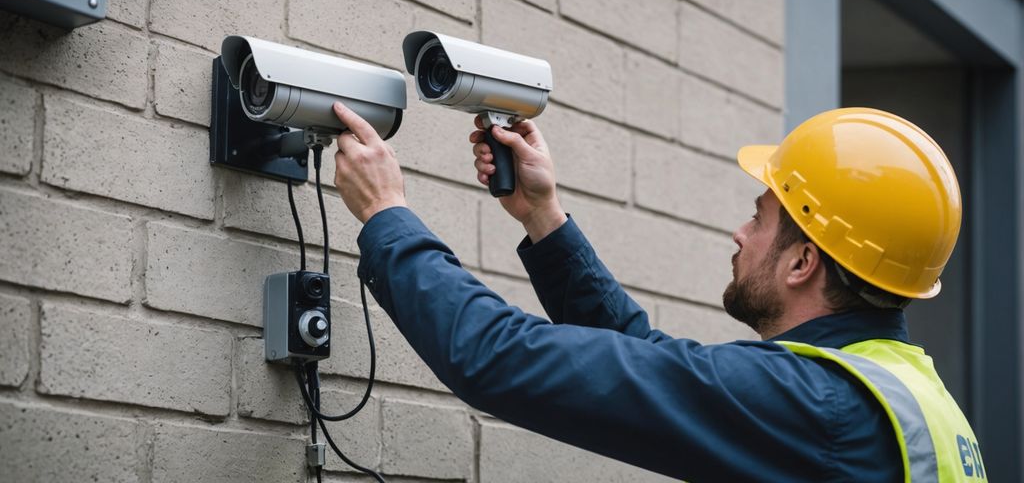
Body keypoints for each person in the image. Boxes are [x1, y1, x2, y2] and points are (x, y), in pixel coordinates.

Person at [329, 102, 985, 482]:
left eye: (759, 219)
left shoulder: (818, 406)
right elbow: (643, 359)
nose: (740, 232)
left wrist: (389, 216)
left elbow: (504, 359)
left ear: (801, 263)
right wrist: (542, 217)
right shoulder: (903, 399)